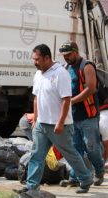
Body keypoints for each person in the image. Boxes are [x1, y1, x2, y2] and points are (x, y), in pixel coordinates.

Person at [17, 44, 93, 194]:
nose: (35, 62)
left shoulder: (60, 74)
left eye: (37, 59)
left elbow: (66, 99)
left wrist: (60, 122)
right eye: (34, 59)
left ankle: (86, 179)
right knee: (36, 155)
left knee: (70, 154)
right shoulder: (38, 74)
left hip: (60, 126)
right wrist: (36, 118)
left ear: (47, 58)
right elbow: (36, 98)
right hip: (42, 124)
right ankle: (32, 187)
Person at [59, 41, 105, 186]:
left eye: (68, 54)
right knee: (75, 148)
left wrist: (72, 101)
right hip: (72, 116)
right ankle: (75, 177)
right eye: (64, 55)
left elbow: (90, 88)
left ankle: (99, 170)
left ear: (76, 52)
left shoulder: (87, 66)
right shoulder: (65, 67)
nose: (65, 57)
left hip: (88, 115)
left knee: (91, 147)